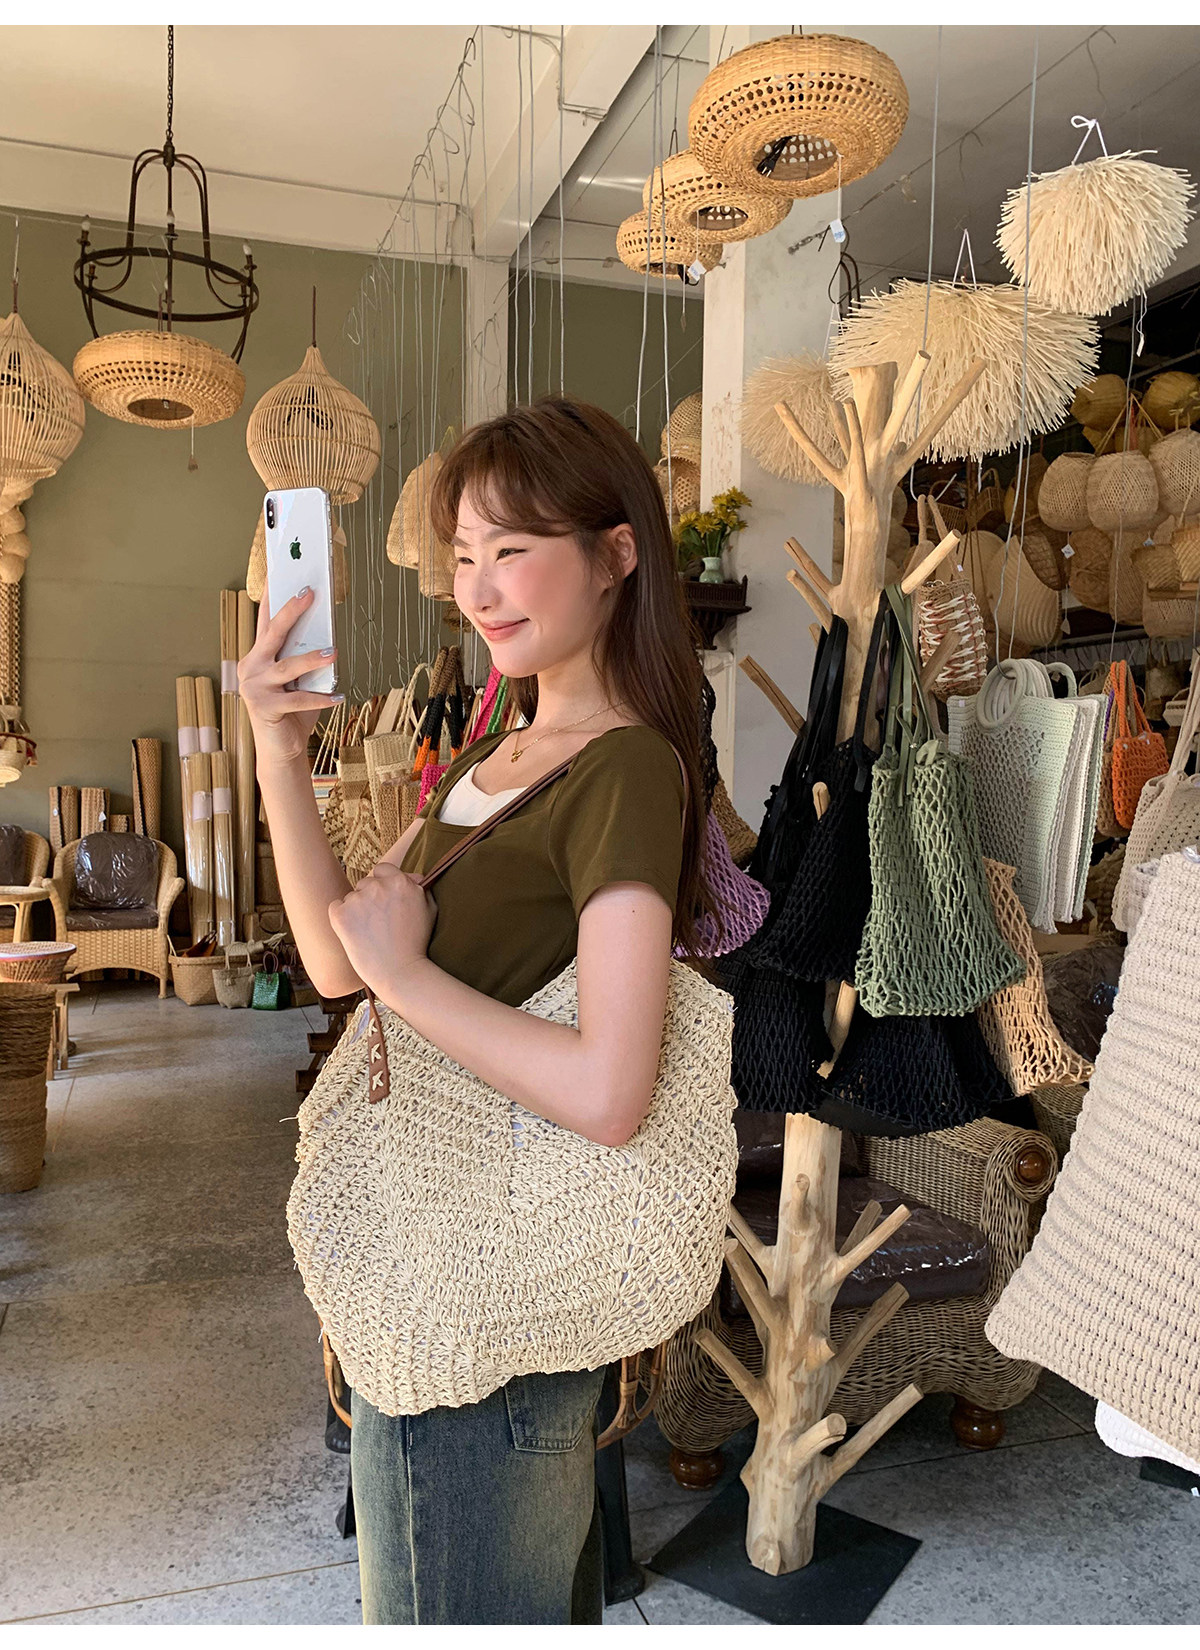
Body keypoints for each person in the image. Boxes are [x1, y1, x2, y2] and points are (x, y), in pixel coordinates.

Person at [238, 397, 720, 1625]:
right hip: (432, 1270)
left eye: (513, 548)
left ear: (616, 555)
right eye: (463, 556)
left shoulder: (625, 768)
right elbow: (337, 961)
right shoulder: (491, 758)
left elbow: (610, 1092)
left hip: (487, 1312)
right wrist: (279, 753)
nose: (481, 588)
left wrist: (407, 977)